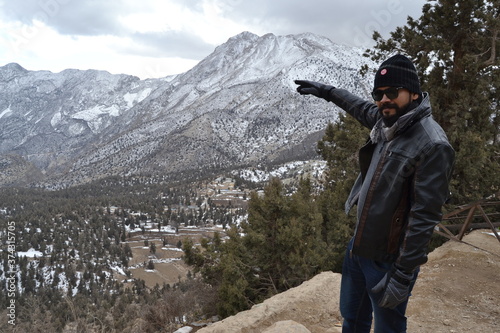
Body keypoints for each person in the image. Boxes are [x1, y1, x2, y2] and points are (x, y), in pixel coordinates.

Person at [295, 54, 455, 333]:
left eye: (392, 92)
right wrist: (328, 92)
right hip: (359, 245)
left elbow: (425, 216)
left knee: (388, 327)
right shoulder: (386, 123)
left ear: (414, 93)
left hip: (389, 259)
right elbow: (358, 107)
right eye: (379, 94)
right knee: (352, 317)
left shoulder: (432, 143)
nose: (384, 100)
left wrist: (403, 274)